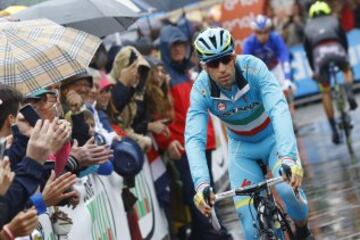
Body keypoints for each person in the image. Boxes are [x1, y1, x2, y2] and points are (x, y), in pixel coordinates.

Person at [186, 27, 313, 240]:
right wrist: (202, 184)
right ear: (204, 67)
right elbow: (194, 139)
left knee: (287, 191)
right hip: (242, 149)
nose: (222, 69)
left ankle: (302, 228)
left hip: (273, 141)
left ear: (234, 56)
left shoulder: (254, 68)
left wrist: (289, 158)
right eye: (213, 64)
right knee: (249, 224)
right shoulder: (201, 90)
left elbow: (279, 109)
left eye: (226, 59)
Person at [159, 24, 231, 240]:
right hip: (182, 145)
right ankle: (213, 232)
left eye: (181, 45)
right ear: (165, 49)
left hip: (204, 141)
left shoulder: (193, 72)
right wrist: (168, 141)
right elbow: (159, 116)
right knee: (196, 190)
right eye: (173, 47)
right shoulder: (164, 78)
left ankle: (206, 231)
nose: (178, 50)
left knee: (204, 188)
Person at [304, 1, 358, 144]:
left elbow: (309, 54)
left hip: (319, 55)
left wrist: (315, 71)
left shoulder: (308, 27)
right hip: (336, 49)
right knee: (347, 70)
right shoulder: (334, 19)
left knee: (325, 92)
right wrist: (345, 63)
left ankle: (334, 130)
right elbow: (344, 42)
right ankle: (349, 93)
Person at [243, 15, 297, 129]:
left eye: (266, 32)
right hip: (260, 71)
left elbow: (284, 57)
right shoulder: (249, 43)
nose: (263, 35)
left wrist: (287, 79)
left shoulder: (276, 37)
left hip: (276, 67)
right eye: (259, 32)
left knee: (287, 88)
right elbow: (246, 66)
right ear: (254, 32)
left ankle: (290, 114)